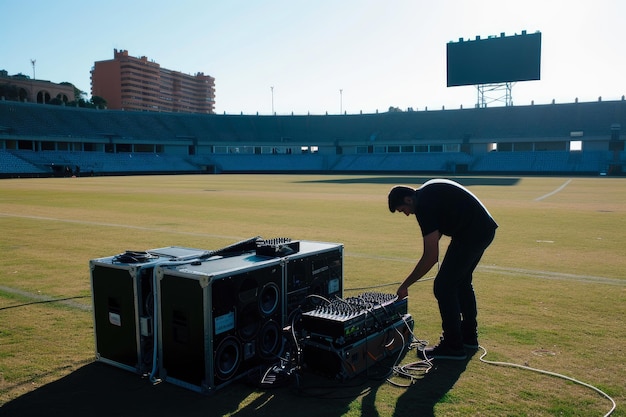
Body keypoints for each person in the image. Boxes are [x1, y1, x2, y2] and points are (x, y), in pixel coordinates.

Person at [388, 179, 497, 360]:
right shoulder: (427, 193)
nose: (406, 214)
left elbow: (431, 257)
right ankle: (468, 336)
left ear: (408, 200)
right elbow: (435, 237)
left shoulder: (423, 206)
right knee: (461, 282)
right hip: (483, 230)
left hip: (472, 233)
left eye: (402, 210)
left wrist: (405, 285)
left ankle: (453, 346)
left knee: (443, 286)